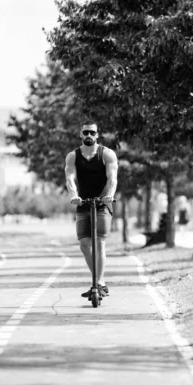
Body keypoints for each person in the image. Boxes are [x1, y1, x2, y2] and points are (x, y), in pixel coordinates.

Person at [64, 120, 118, 298]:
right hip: (82, 202)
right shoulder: (73, 156)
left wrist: (109, 194)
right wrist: (73, 195)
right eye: (85, 132)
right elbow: (70, 177)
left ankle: (99, 282)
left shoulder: (107, 154)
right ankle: (97, 279)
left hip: (103, 203)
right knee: (84, 244)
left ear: (97, 135)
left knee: (100, 242)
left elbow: (112, 178)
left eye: (92, 133)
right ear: (81, 134)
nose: (89, 135)